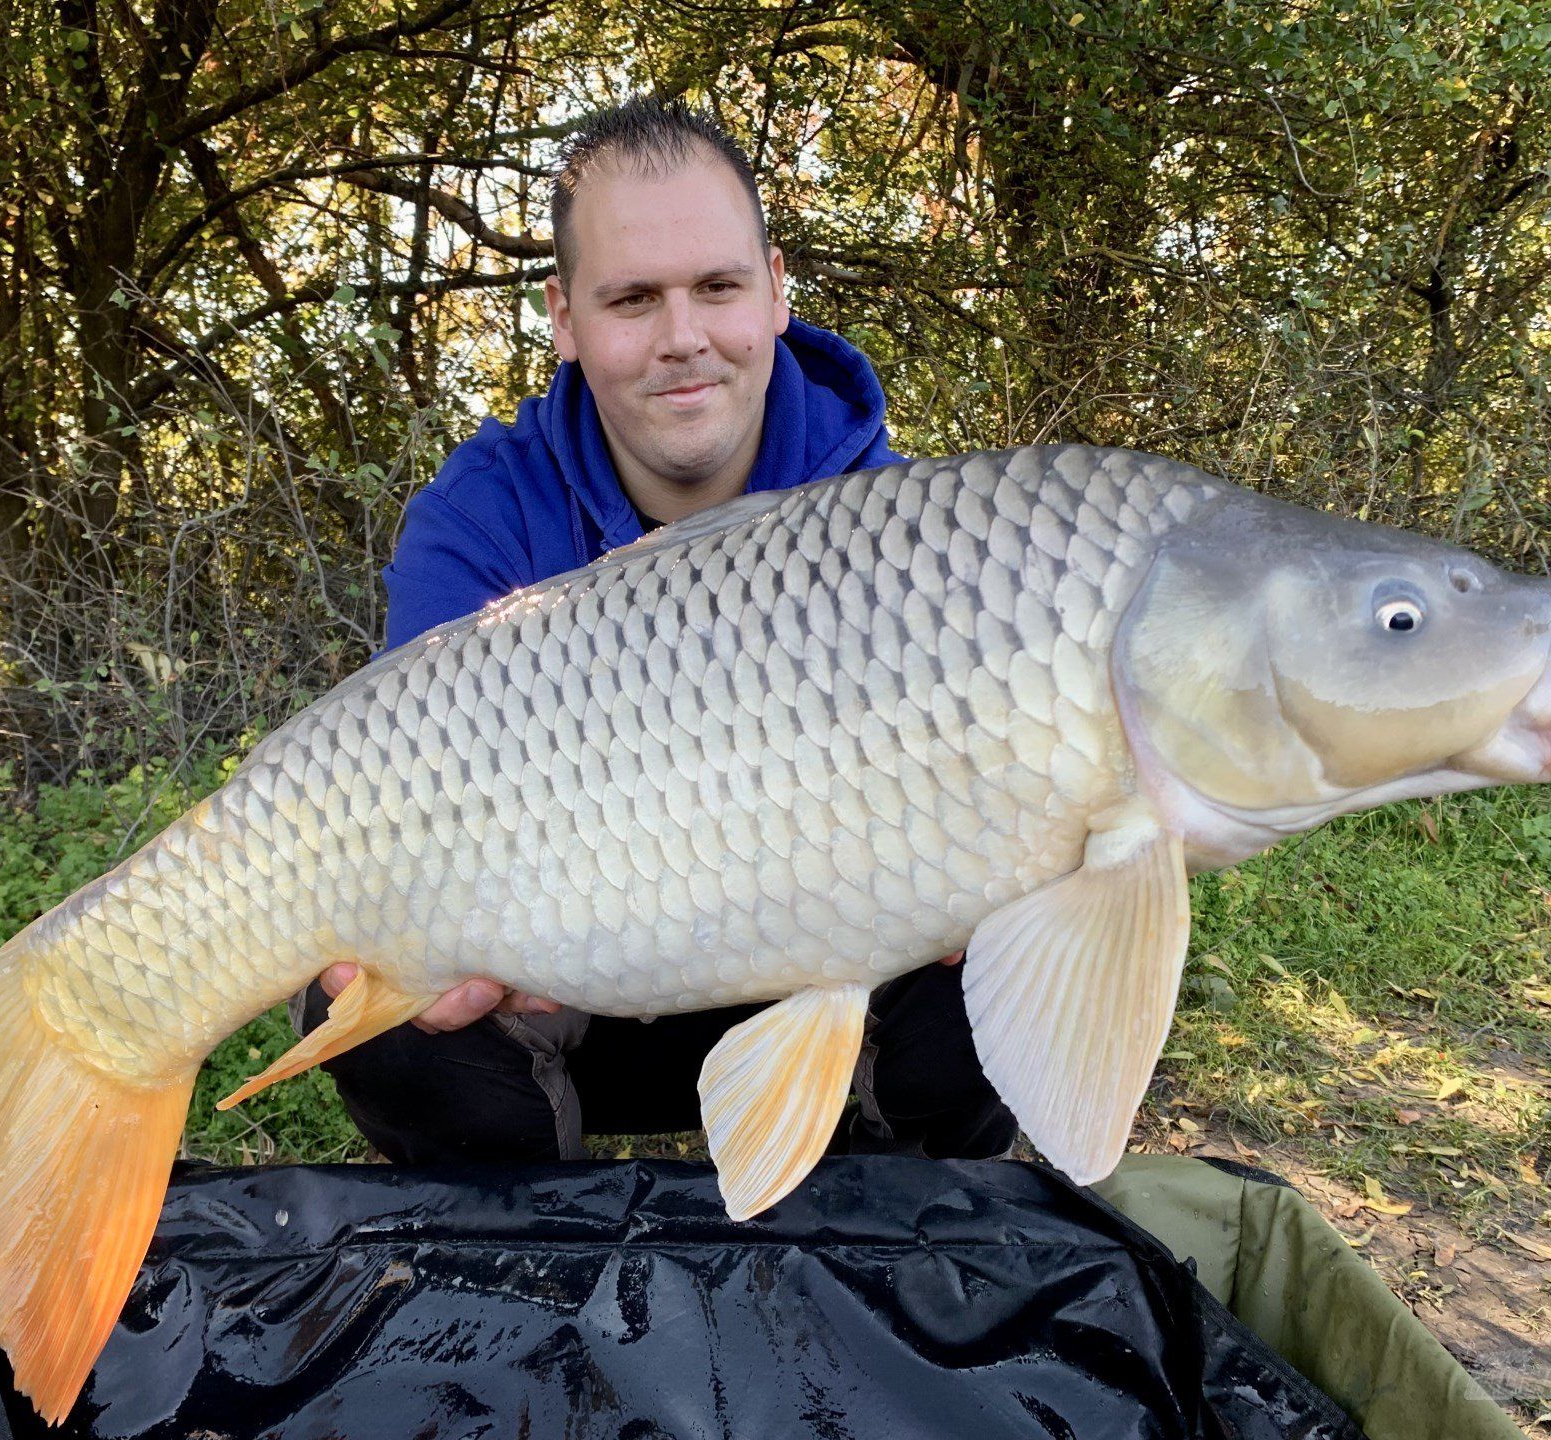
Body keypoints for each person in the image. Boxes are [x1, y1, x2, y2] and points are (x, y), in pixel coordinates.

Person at [290, 96, 1017, 1167]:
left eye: (717, 287)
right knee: (370, 1001)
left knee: (1009, 954)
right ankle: (533, 1260)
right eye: (633, 298)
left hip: (827, 983)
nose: (684, 339)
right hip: (578, 982)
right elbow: (420, 804)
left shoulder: (903, 527)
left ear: (775, 290)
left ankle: (888, 1236)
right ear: (566, 317)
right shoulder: (481, 517)